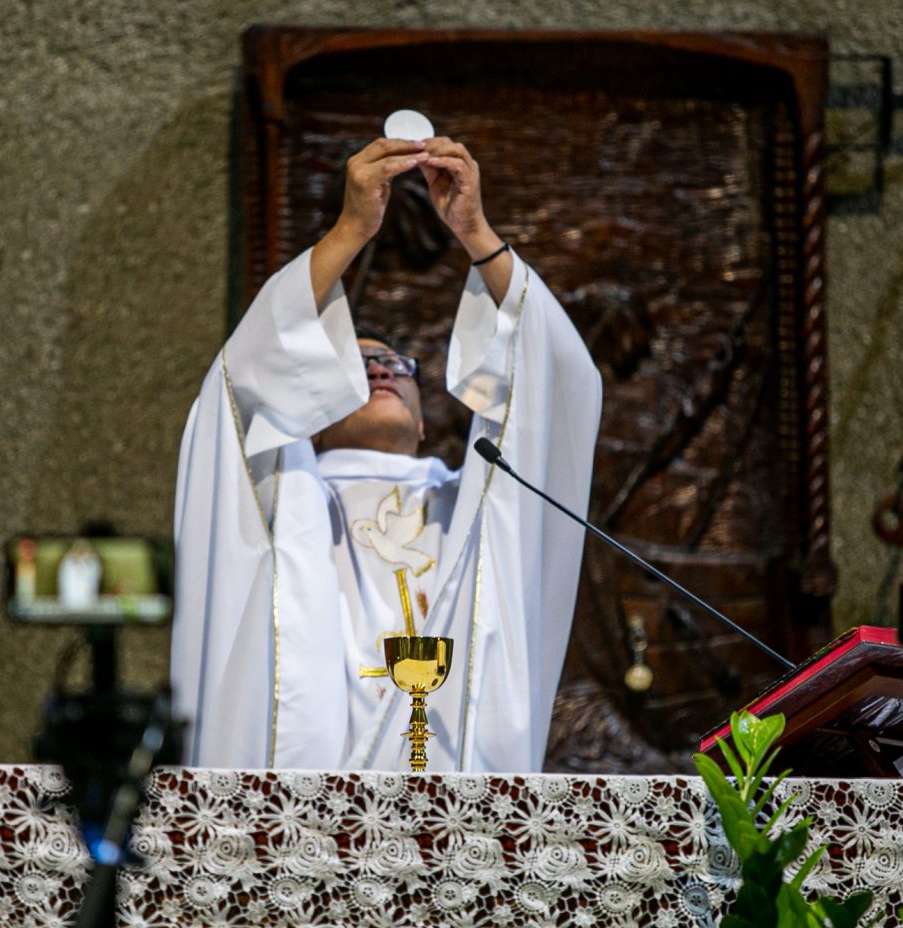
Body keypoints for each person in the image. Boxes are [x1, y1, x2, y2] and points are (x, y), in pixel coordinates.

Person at [171, 136, 602, 772]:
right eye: (355, 362)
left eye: (394, 363)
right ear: (311, 405)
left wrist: (476, 231)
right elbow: (239, 390)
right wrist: (350, 230)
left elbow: (558, 388)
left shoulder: (473, 507)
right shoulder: (280, 492)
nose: (378, 370)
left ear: (425, 422)